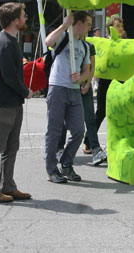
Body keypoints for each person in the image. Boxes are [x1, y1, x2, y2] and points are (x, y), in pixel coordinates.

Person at [0, 2, 34, 203]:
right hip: (2, 104)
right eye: (23, 14)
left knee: (11, 147)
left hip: (11, 102)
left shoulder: (10, 40)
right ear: (14, 20)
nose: (26, 18)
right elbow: (9, 76)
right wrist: (25, 91)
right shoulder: (4, 43)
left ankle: (7, 185)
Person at [44, 11, 92, 184]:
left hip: (74, 91)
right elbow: (48, 42)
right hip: (57, 87)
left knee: (79, 130)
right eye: (88, 24)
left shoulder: (85, 46)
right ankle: (51, 169)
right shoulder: (64, 36)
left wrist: (81, 78)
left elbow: (87, 70)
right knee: (54, 131)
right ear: (78, 23)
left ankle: (66, 163)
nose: (90, 28)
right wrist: (64, 25)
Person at [91, 15, 124, 145]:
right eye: (117, 26)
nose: (121, 28)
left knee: (120, 113)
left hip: (121, 81)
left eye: (121, 26)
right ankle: (89, 141)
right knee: (101, 112)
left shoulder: (126, 43)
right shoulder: (104, 43)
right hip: (106, 80)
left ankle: (118, 142)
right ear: (110, 28)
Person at [81, 27, 107, 166]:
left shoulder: (89, 46)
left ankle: (96, 149)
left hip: (85, 85)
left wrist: (87, 83)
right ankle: (59, 149)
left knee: (90, 118)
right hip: (70, 86)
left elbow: (92, 67)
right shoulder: (69, 43)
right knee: (66, 122)